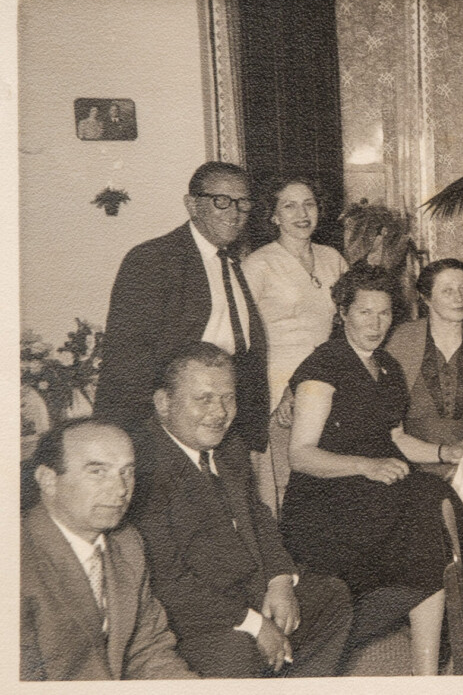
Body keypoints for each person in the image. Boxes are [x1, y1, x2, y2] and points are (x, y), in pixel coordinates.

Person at [280, 262, 463, 676]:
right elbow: (300, 455)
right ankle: (451, 639)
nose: (375, 323)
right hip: (326, 503)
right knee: (425, 518)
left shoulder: (387, 366)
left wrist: (446, 452)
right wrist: (365, 466)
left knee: (439, 494)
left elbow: (397, 438)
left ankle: (450, 633)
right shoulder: (324, 365)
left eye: (384, 313)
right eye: (365, 312)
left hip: (374, 490)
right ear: (343, 313)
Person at [129, 343, 352, 678]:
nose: (220, 412)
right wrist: (254, 623)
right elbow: (168, 584)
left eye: (228, 398)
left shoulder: (230, 446)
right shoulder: (140, 466)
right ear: (163, 403)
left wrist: (280, 580)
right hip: (195, 617)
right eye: (204, 398)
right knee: (239, 653)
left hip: (250, 589)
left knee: (331, 596)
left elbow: (259, 519)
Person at [97, 161, 270, 454]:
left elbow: (246, 351)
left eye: (243, 203)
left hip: (224, 428)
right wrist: (140, 442)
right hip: (167, 431)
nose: (234, 213)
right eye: (221, 201)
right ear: (192, 205)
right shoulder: (153, 259)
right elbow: (128, 361)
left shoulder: (230, 263)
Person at [21, 419, 197, 681]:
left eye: (127, 472)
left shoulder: (127, 543)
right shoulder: (17, 558)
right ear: (48, 480)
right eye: (97, 472)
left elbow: (148, 650)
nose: (121, 490)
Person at [243, 177, 348, 413]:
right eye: (289, 206)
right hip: (279, 381)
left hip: (328, 375)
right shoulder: (258, 264)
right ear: (274, 216)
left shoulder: (333, 258)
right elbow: (241, 335)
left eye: (309, 204)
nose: (302, 214)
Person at [386, 258, 463, 450]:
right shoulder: (402, 340)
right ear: (426, 298)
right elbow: (388, 417)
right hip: (411, 454)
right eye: (447, 291)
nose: (459, 298)